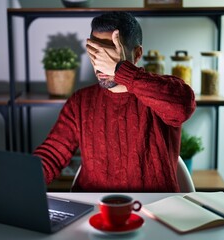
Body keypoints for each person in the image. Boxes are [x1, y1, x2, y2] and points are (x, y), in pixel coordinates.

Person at [34, 11, 196, 192]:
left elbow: (183, 106)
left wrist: (121, 70)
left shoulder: (160, 91)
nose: (99, 64)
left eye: (109, 54)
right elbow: (52, 156)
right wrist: (23, 181)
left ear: (137, 53)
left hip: (154, 208)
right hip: (95, 210)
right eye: (95, 52)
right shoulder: (80, 102)